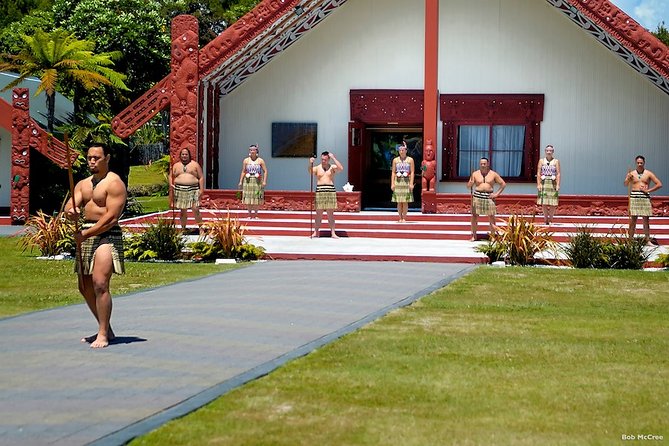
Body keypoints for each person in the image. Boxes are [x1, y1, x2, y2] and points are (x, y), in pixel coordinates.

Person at [65, 143, 126, 348]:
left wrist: (86, 233)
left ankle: (102, 334)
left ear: (107, 158)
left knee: (100, 283)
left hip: (106, 234)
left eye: (97, 158)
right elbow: (72, 204)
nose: (92, 161)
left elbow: (111, 217)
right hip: (86, 233)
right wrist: (70, 212)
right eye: (90, 157)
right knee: (84, 286)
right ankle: (105, 327)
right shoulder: (83, 183)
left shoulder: (114, 183)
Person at [624, 155, 662, 243]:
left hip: (645, 197)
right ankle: (630, 240)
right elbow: (626, 184)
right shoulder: (632, 173)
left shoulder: (648, 173)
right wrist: (628, 179)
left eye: (641, 163)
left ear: (644, 163)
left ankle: (647, 240)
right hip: (634, 197)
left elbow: (659, 184)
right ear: (636, 163)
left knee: (646, 220)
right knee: (633, 220)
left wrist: (648, 190)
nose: (639, 164)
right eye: (638, 163)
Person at [467, 157, 506, 241]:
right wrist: (470, 183)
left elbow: (503, 184)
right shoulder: (475, 174)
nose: (483, 165)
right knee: (474, 216)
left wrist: (496, 194)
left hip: (489, 196)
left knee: (491, 216)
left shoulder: (493, 174)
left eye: (484, 164)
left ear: (488, 164)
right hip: (477, 196)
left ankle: (493, 236)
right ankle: (474, 235)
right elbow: (468, 186)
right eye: (481, 164)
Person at [309, 151, 343, 238]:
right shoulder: (317, 168)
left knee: (330, 214)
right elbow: (310, 171)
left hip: (330, 190)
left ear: (328, 159)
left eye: (325, 159)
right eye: (322, 159)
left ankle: (333, 233)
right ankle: (316, 232)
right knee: (318, 214)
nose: (323, 161)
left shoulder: (332, 167)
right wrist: (310, 163)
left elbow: (341, 168)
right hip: (320, 191)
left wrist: (334, 158)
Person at [171, 148, 204, 232]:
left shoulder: (195, 165)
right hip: (180, 190)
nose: (184, 156)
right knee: (183, 211)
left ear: (189, 155)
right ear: (180, 155)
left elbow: (201, 177)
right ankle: (183, 229)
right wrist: (170, 184)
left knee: (195, 209)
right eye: (183, 154)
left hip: (193, 189)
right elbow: (170, 176)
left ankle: (201, 229)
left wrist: (201, 190)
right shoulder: (176, 165)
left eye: (186, 154)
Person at [238, 144, 268, 218]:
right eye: (251, 150)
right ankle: (249, 214)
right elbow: (243, 171)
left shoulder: (260, 160)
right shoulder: (246, 160)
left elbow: (265, 171)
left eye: (253, 150)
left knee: (256, 196)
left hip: (257, 180)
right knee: (248, 196)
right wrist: (240, 181)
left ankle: (256, 214)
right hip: (248, 180)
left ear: (256, 151)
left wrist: (264, 181)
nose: (252, 151)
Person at [536, 144, 561, 225]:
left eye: (550, 150)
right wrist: (538, 184)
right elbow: (538, 173)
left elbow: (558, 173)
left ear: (553, 152)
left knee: (553, 202)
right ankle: (545, 218)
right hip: (544, 182)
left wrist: (558, 184)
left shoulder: (556, 161)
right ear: (545, 151)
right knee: (544, 202)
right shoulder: (541, 161)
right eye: (547, 150)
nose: (549, 152)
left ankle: (551, 218)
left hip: (552, 182)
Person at [390, 142, 415, 222]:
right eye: (400, 150)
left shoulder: (410, 160)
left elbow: (412, 172)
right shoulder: (395, 160)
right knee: (399, 201)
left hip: (406, 182)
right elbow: (393, 172)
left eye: (403, 150)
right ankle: (400, 217)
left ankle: (404, 217)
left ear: (406, 150)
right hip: (398, 182)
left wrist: (411, 183)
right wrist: (392, 183)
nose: (401, 151)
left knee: (405, 201)